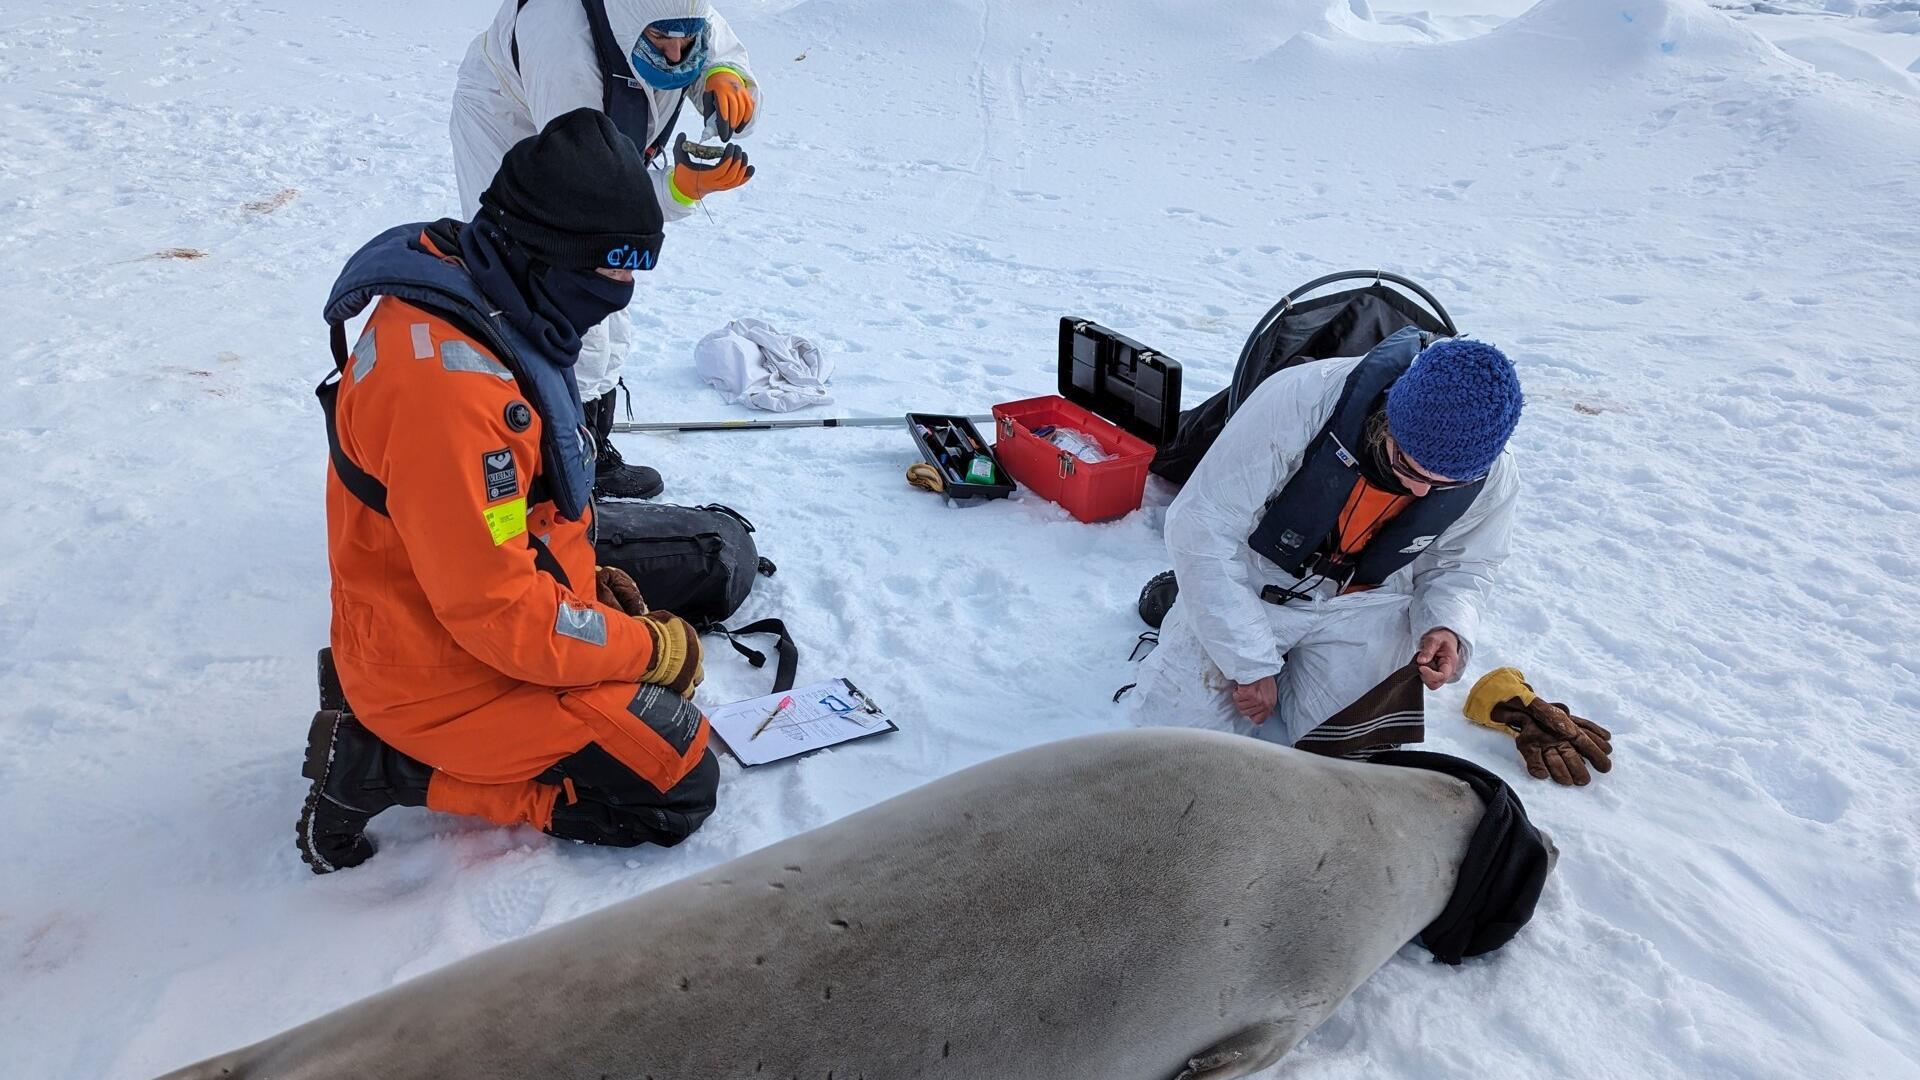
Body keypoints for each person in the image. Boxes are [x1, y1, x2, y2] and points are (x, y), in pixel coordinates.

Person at [299, 109, 717, 875]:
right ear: (554, 254)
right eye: (614, 269)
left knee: (720, 557)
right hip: (444, 672)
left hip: (504, 563)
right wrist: (645, 649)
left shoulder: (494, 284)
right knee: (676, 774)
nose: (622, 292)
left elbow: (513, 512)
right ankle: (389, 764)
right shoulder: (446, 397)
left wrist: (600, 599)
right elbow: (501, 617)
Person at [1131, 328, 1522, 754]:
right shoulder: (1301, 398)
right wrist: (1249, 661)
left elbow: (1465, 565)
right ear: (1388, 419)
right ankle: (1195, 604)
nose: (1424, 492)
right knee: (1172, 746)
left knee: (1352, 759)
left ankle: (1276, 653)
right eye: (1409, 468)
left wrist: (1446, 625)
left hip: (1365, 605)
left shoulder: (1492, 473)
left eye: (1444, 484)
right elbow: (1201, 523)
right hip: (1256, 580)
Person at [452, 0, 764, 499]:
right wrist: (679, 190)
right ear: (626, 23)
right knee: (549, 284)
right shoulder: (563, 52)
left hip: (603, 137)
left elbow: (714, 40)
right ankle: (554, 455)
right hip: (514, 126)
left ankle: (591, 444)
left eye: (687, 41)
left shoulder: (676, 13)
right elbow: (594, 208)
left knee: (608, 287)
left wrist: (726, 77)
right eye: (661, 42)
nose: (677, 52)